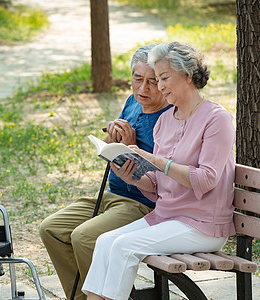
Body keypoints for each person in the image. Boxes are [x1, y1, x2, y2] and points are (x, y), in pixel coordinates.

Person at [82, 42, 236, 300]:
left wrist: (156, 160)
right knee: (105, 241)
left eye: (164, 78)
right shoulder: (165, 120)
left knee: (123, 247)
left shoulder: (216, 118)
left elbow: (206, 179)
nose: (160, 86)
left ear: (187, 76)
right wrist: (131, 175)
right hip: (167, 218)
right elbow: (156, 184)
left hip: (203, 226)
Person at [39, 43, 172, 300]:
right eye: (137, 79)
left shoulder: (170, 117)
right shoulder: (133, 102)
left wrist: (129, 147)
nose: (143, 88)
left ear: (165, 82)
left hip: (142, 204)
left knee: (84, 237)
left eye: (153, 82)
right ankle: (81, 297)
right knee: (51, 228)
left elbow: (164, 174)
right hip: (112, 195)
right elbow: (120, 147)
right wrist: (114, 136)